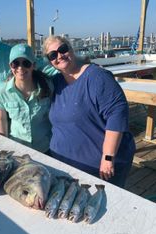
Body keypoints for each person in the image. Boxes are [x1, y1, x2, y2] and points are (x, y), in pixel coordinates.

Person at [43, 36, 136, 188]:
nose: (59, 56)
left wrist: (107, 158)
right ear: (50, 61)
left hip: (99, 169)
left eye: (63, 49)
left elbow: (117, 114)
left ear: (71, 49)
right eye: (53, 55)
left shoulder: (97, 77)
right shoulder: (56, 82)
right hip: (64, 165)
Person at [0, 43, 53, 153]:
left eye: (26, 63)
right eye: (15, 63)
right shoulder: (1, 92)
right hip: (18, 149)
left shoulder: (47, 86)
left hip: (45, 148)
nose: (20, 68)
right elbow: (2, 119)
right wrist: (4, 144)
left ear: (33, 65)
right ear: (10, 66)